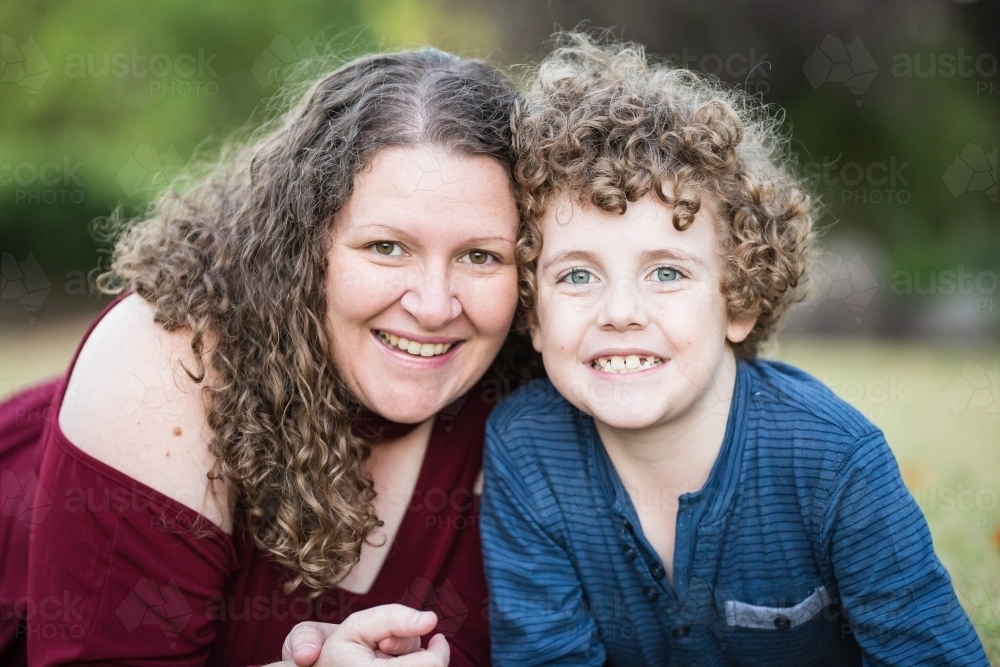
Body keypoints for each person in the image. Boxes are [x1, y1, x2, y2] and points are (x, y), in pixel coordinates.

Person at [0, 47, 541, 667]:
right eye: (387, 247)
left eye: (481, 257)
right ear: (301, 248)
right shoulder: (174, 360)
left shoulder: (531, 395)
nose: (435, 305)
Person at [479, 35, 989, 666]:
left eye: (666, 272)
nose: (619, 313)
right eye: (576, 275)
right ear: (531, 307)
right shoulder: (527, 450)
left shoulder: (836, 461)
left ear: (739, 299)